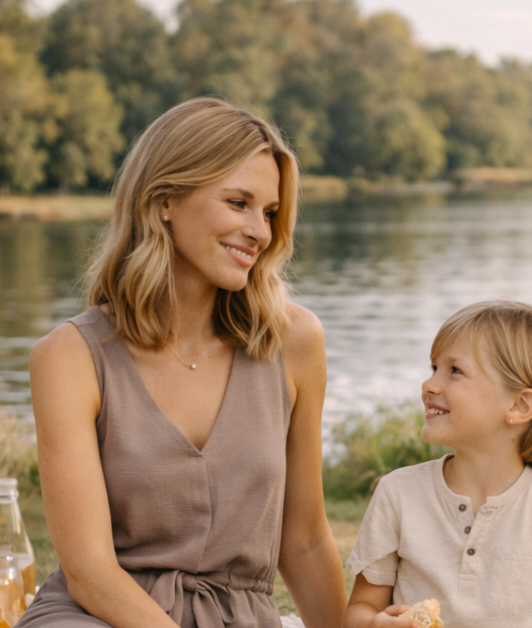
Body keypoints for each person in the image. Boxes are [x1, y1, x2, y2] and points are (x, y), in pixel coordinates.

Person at [20, 98, 347, 628]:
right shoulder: (69, 356)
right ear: (166, 199)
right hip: (100, 616)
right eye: (238, 202)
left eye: (268, 213)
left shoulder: (294, 342)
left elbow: (304, 539)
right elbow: (88, 570)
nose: (260, 232)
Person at [342, 301, 532, 628]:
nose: (430, 385)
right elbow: (360, 610)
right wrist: (376, 624)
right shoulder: (397, 493)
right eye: (434, 368)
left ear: (520, 405)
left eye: (455, 371)